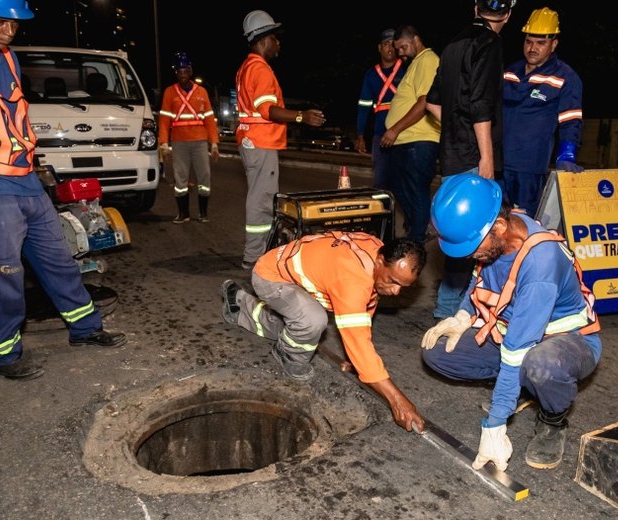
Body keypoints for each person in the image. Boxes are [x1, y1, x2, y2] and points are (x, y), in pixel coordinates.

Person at [0, 0, 126, 381]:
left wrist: (38, 172)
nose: (9, 31)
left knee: (61, 260)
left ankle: (85, 328)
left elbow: (12, 123)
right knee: (2, 274)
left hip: (25, 182)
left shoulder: (9, 58)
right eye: (0, 21)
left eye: (15, 24)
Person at [420, 173, 601, 470]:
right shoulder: (498, 231)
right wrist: (463, 316)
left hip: (567, 343)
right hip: (512, 331)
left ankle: (552, 421)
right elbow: (481, 283)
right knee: (437, 351)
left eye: (471, 248)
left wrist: (494, 425)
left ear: (500, 227)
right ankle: (521, 384)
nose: (468, 257)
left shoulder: (540, 264)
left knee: (540, 366)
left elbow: (517, 348)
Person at [220, 232, 427, 432]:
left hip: (291, 277)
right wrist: (397, 400)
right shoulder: (351, 277)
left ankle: (238, 302)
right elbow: (360, 339)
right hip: (269, 277)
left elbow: (364, 308)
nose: (396, 291)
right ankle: (288, 355)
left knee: (296, 325)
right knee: (313, 320)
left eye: (403, 286)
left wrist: (353, 357)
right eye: (393, 281)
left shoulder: (374, 251)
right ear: (380, 262)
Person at [425, 0, 514, 319]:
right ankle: (469, 312)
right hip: (475, 157)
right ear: (508, 13)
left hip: (452, 156)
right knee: (484, 240)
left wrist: (454, 129)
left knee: (458, 235)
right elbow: (480, 105)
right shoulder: (489, 42)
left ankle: (447, 310)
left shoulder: (452, 45)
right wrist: (486, 159)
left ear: (475, 8)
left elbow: (432, 104)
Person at [235, 10, 326, 270]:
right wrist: (301, 117)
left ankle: (259, 251)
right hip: (261, 142)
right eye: (275, 38)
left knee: (261, 197)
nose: (278, 44)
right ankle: (255, 256)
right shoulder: (260, 69)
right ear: (264, 40)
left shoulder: (246, 67)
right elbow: (268, 110)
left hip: (252, 141)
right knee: (262, 201)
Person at [502, 7, 584, 217]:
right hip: (497, 164)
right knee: (495, 224)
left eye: (541, 43)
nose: (533, 48)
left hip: (529, 168)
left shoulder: (565, 77)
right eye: (529, 41)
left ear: (553, 44)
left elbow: (570, 119)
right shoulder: (510, 72)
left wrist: (567, 153)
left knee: (522, 224)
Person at [380, 25, 440, 244]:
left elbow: (425, 101)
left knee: (416, 190)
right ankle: (417, 229)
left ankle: (417, 239)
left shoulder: (428, 60)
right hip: (406, 141)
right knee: (400, 188)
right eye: (398, 49)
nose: (401, 53)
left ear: (415, 39)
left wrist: (395, 129)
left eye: (403, 47)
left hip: (418, 140)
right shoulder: (416, 64)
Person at [158, 52, 220, 224]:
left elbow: (209, 119)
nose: (183, 74)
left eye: (185, 70)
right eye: (180, 71)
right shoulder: (170, 92)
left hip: (200, 141)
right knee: (180, 178)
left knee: (204, 177)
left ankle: (203, 213)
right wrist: (163, 143)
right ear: (176, 73)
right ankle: (183, 213)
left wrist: (214, 143)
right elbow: (164, 120)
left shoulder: (202, 92)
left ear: (190, 70)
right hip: (179, 142)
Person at [354, 28, 405, 190]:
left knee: (403, 182)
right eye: (385, 44)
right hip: (380, 135)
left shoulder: (407, 71)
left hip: (405, 133)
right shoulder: (371, 75)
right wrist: (360, 135)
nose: (389, 48)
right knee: (380, 183)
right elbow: (364, 107)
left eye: (392, 44)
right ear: (379, 47)